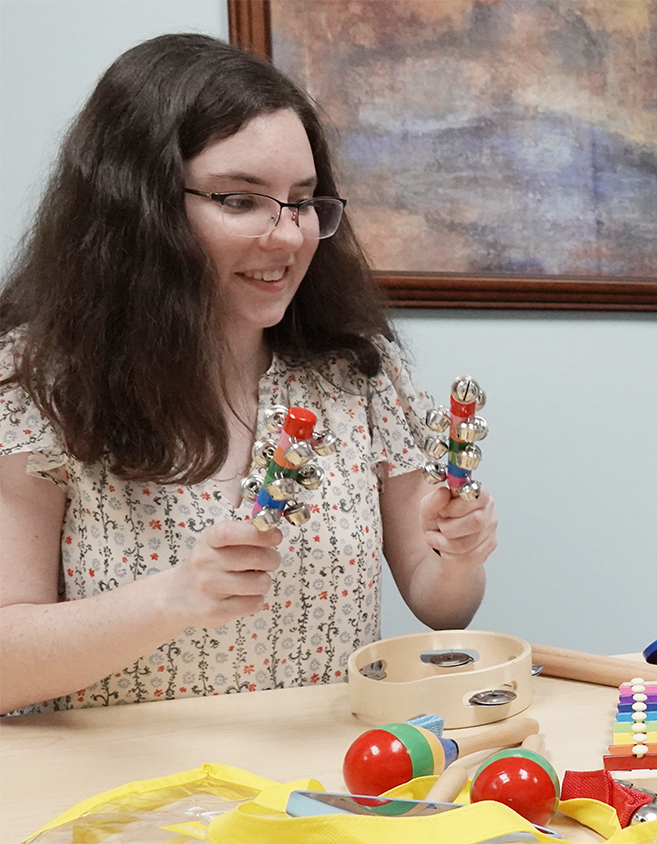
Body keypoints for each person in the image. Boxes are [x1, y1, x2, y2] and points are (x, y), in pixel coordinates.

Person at [0, 33, 499, 715]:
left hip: (317, 794)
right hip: (129, 805)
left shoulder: (355, 372)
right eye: (241, 200)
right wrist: (175, 597)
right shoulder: (37, 383)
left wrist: (459, 553)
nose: (290, 236)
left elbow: (442, 603)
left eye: (302, 200)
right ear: (138, 206)